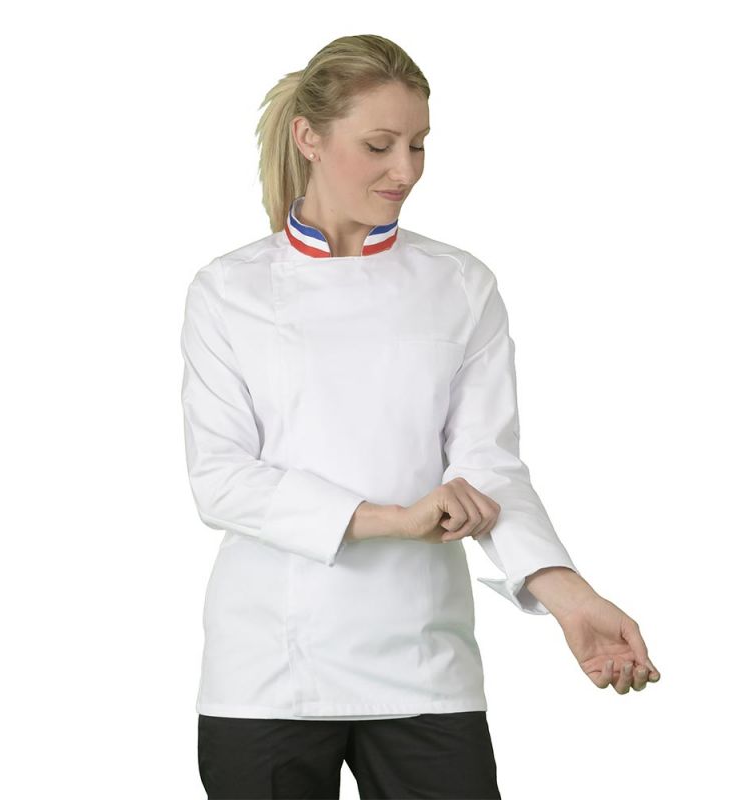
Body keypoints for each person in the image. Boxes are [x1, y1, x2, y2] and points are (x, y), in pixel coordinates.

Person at [180, 33, 661, 800]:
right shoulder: (227, 290)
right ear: (308, 137)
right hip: (270, 668)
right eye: (379, 146)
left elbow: (488, 466)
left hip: (425, 664)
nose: (404, 170)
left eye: (418, 145)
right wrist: (392, 520)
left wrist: (567, 594)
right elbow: (223, 480)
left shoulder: (460, 284)